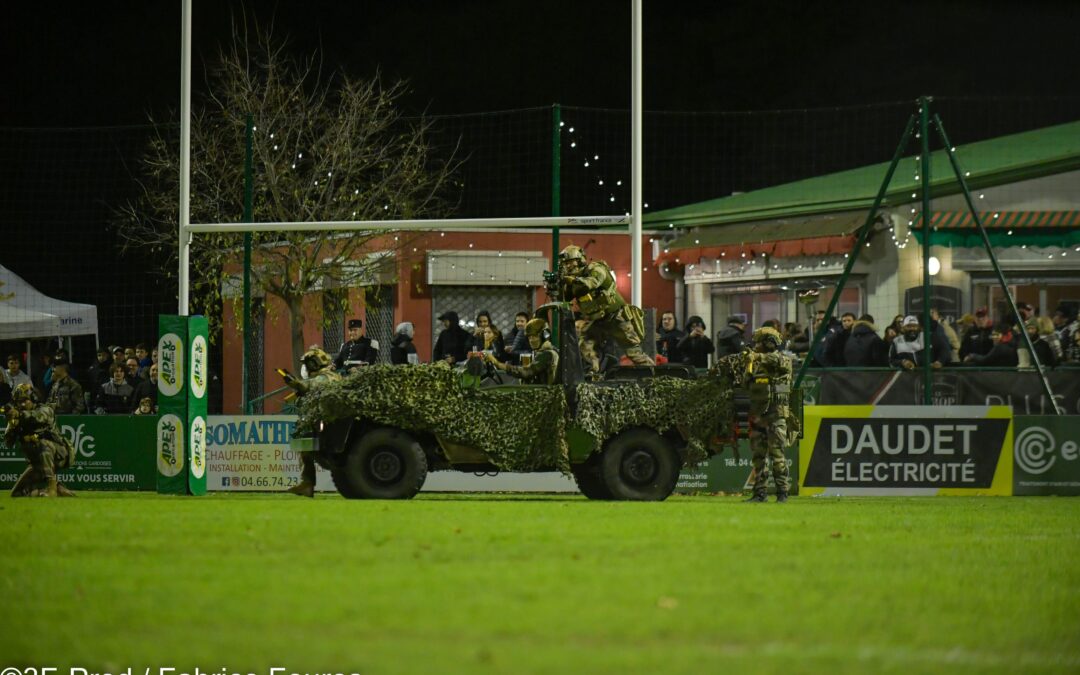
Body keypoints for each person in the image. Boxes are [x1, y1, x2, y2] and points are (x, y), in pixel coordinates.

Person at [552, 245, 653, 372]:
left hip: (616, 317)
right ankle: (593, 372)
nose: (567, 266)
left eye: (569, 262)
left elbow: (591, 283)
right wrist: (558, 287)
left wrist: (571, 280)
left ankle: (654, 375)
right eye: (565, 264)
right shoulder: (573, 282)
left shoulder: (596, 268)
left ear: (579, 260)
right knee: (585, 346)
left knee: (634, 352)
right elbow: (563, 299)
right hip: (597, 321)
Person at [280, 347, 342, 497]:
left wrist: (294, 382)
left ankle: (307, 482)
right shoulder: (331, 375)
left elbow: (309, 385)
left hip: (330, 423)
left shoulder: (325, 377)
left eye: (308, 365)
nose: (306, 369)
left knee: (305, 442)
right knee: (305, 446)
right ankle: (306, 484)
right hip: (330, 421)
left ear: (314, 364)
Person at [742, 327, 793, 503]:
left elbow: (778, 360)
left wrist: (756, 357)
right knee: (758, 457)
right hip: (758, 416)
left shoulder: (782, 359)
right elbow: (746, 384)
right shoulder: (756, 364)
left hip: (776, 415)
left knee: (777, 455)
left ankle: (782, 493)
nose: (756, 346)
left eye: (759, 343)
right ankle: (759, 493)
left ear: (769, 344)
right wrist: (749, 365)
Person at [5, 383, 77, 497]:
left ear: (33, 398)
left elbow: (36, 416)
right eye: (19, 402)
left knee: (42, 443)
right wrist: (13, 425)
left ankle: (51, 486)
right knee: (16, 494)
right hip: (37, 463)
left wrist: (19, 415)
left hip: (60, 454)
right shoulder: (18, 416)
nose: (22, 404)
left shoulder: (45, 409)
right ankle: (56, 490)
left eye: (25, 400)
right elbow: (8, 442)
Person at [485, 318, 558, 384]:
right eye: (529, 337)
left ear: (545, 335)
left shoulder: (547, 354)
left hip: (547, 395)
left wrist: (497, 363)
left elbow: (526, 372)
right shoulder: (541, 352)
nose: (531, 340)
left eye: (534, 336)